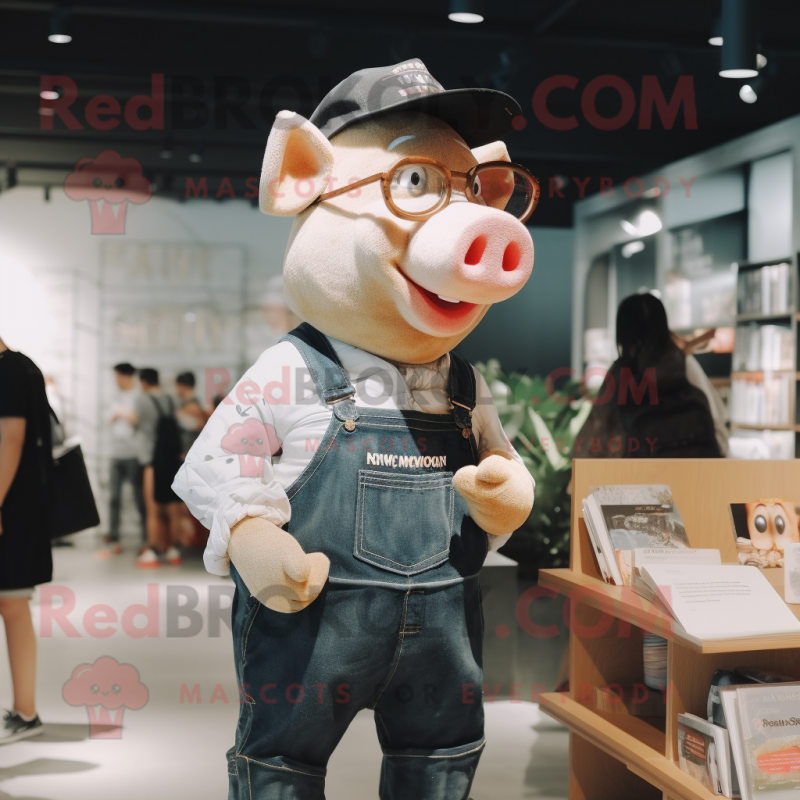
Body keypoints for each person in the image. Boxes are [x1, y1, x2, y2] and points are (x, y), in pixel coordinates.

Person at [576, 293, 722, 459]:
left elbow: (594, 440)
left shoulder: (619, 373)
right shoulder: (684, 365)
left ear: (623, 333)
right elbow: (719, 433)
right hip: (693, 479)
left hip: (637, 480)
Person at [0, 336, 51, 742]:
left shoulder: (10, 371)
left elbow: (9, 439)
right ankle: (25, 709)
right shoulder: (22, 368)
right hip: (17, 508)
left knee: (13, 604)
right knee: (14, 605)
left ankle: (26, 710)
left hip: (9, 510)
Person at [134, 368, 183, 568]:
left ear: (144, 382)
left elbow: (139, 425)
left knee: (153, 509)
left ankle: (153, 550)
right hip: (172, 460)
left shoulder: (142, 400)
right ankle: (172, 550)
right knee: (172, 509)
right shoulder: (171, 400)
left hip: (152, 461)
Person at [99, 363, 146, 558]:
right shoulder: (113, 398)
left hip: (133, 454)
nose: (117, 380)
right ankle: (114, 538)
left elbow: (137, 420)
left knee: (139, 498)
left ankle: (146, 538)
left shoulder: (138, 397)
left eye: (118, 376)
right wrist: (120, 414)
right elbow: (107, 420)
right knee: (114, 499)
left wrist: (122, 414)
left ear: (127, 377)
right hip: (115, 454)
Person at [174, 372, 208, 457]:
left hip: (188, 452)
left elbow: (199, 426)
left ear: (182, 386)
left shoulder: (192, 406)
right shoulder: (193, 403)